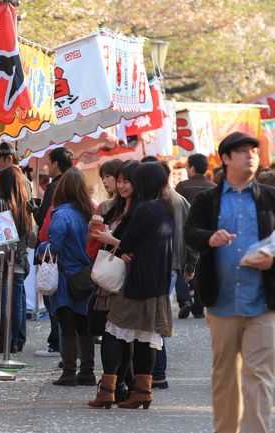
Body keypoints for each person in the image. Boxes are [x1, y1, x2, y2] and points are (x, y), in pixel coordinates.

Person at [185, 132, 275, 433]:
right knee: (224, 376)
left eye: (253, 151)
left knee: (259, 376)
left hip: (263, 303)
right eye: (242, 151)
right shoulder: (209, 199)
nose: (250, 155)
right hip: (221, 302)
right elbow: (190, 232)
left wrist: (272, 260)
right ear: (225, 159)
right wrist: (209, 238)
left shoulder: (270, 197)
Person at [88, 162, 174, 409]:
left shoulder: (145, 209)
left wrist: (115, 242)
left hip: (137, 282)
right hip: (156, 282)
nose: (128, 185)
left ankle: (108, 391)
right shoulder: (165, 207)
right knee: (145, 336)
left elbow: (128, 241)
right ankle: (142, 391)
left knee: (114, 330)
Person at [37, 168, 95, 386]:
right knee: (84, 325)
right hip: (85, 275)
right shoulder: (88, 212)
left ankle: (69, 372)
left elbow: (55, 246)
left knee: (67, 325)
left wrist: (40, 247)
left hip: (64, 277)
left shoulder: (61, 214)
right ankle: (87, 370)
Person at [89, 160, 140, 401]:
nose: (121, 185)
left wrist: (113, 241)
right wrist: (95, 225)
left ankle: (115, 386)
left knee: (121, 333)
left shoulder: (142, 209)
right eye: (118, 180)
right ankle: (117, 385)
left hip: (129, 277)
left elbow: (135, 243)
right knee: (115, 332)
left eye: (125, 181)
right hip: (111, 276)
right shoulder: (113, 207)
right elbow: (97, 234)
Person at [151, 162, 198, 390]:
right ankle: (156, 372)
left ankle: (157, 371)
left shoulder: (156, 201)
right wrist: (190, 265)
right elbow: (192, 237)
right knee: (159, 315)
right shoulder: (180, 200)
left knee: (156, 318)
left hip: (159, 265)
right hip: (175, 264)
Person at [33, 148, 74, 358]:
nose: (47, 166)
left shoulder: (54, 188)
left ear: (56, 164)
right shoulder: (75, 188)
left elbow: (44, 221)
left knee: (54, 300)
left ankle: (57, 343)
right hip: (72, 256)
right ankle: (64, 345)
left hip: (53, 252)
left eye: (49, 162)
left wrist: (34, 210)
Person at [0, 166, 31, 354]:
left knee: (4, 302)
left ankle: (5, 341)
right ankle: (15, 340)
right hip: (20, 260)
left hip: (5, 259)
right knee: (17, 302)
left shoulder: (1, 204)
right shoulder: (25, 204)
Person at [176, 154, 216, 320]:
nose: (186, 169)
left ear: (192, 167)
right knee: (201, 267)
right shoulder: (214, 187)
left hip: (186, 233)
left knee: (179, 266)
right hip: (208, 234)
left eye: (187, 166)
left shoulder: (183, 186)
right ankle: (199, 308)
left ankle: (184, 299)